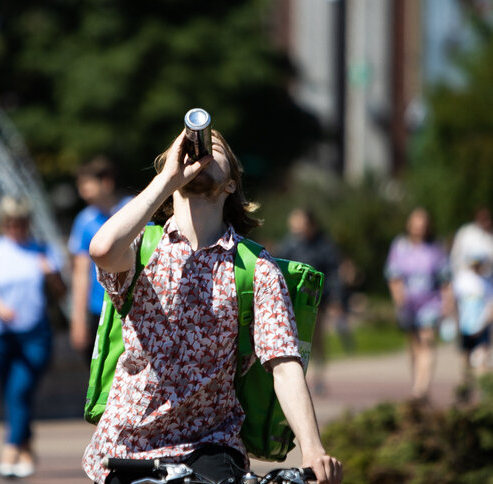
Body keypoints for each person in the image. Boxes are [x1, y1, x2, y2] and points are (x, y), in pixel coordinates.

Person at [82, 129, 342, 484]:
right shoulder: (143, 246)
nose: (199, 154)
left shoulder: (255, 267)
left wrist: (312, 449)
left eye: (213, 149)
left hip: (211, 446)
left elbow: (283, 363)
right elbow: (101, 249)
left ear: (232, 183)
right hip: (128, 449)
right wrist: (166, 180)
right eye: (190, 149)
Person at [0, 196, 66, 479]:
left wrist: (51, 275)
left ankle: (10, 447)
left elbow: (62, 293)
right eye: (11, 223)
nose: (16, 228)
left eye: (21, 222)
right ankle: (26, 448)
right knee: (11, 394)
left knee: (20, 390)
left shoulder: (42, 250)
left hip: (35, 333)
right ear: (3, 224)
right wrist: (0, 308)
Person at [276, 208, 350, 394]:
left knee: (315, 341)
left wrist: (336, 299)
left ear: (310, 224)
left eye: (299, 222)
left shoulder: (324, 246)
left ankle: (318, 377)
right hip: (291, 301)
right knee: (292, 340)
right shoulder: (289, 244)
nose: (295, 227)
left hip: (315, 302)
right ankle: (297, 378)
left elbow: (334, 274)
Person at [68, 157, 131, 363]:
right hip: (100, 308)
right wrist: (78, 319)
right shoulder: (84, 221)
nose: (82, 192)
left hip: (133, 305)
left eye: (87, 185)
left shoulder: (132, 210)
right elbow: (80, 273)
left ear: (106, 182)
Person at [384, 207, 451, 403]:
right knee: (414, 345)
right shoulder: (400, 246)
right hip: (409, 304)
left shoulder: (436, 248)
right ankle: (417, 382)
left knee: (427, 342)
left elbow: (445, 278)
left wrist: (447, 303)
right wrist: (399, 301)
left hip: (431, 302)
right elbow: (393, 276)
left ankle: (421, 389)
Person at [452, 254, 493, 383]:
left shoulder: (487, 281)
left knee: (481, 358)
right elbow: (454, 302)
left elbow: (491, 304)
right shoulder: (462, 279)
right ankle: (465, 388)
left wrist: (485, 323)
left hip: (482, 325)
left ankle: (482, 393)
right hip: (465, 325)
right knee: (465, 358)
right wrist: (456, 321)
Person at [450, 207, 493, 275]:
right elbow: (456, 256)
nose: (487, 222)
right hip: (467, 279)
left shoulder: (490, 238)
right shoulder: (466, 233)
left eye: (488, 219)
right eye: (483, 219)